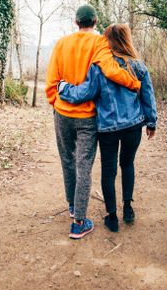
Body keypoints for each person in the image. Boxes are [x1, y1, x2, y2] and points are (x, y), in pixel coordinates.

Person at [45, 5, 141, 240]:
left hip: (62, 113)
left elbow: (52, 81)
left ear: (76, 21)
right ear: (96, 21)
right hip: (87, 117)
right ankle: (79, 222)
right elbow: (110, 70)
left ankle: (72, 206)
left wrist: (55, 104)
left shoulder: (61, 44)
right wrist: (134, 83)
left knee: (67, 161)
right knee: (84, 166)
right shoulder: (100, 43)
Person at [57, 23, 157, 233]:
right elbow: (147, 94)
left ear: (108, 41)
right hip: (133, 127)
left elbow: (85, 93)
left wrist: (63, 88)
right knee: (127, 164)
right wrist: (151, 122)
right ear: (126, 39)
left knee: (108, 171)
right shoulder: (137, 65)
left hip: (107, 129)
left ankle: (112, 217)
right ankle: (128, 208)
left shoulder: (100, 66)